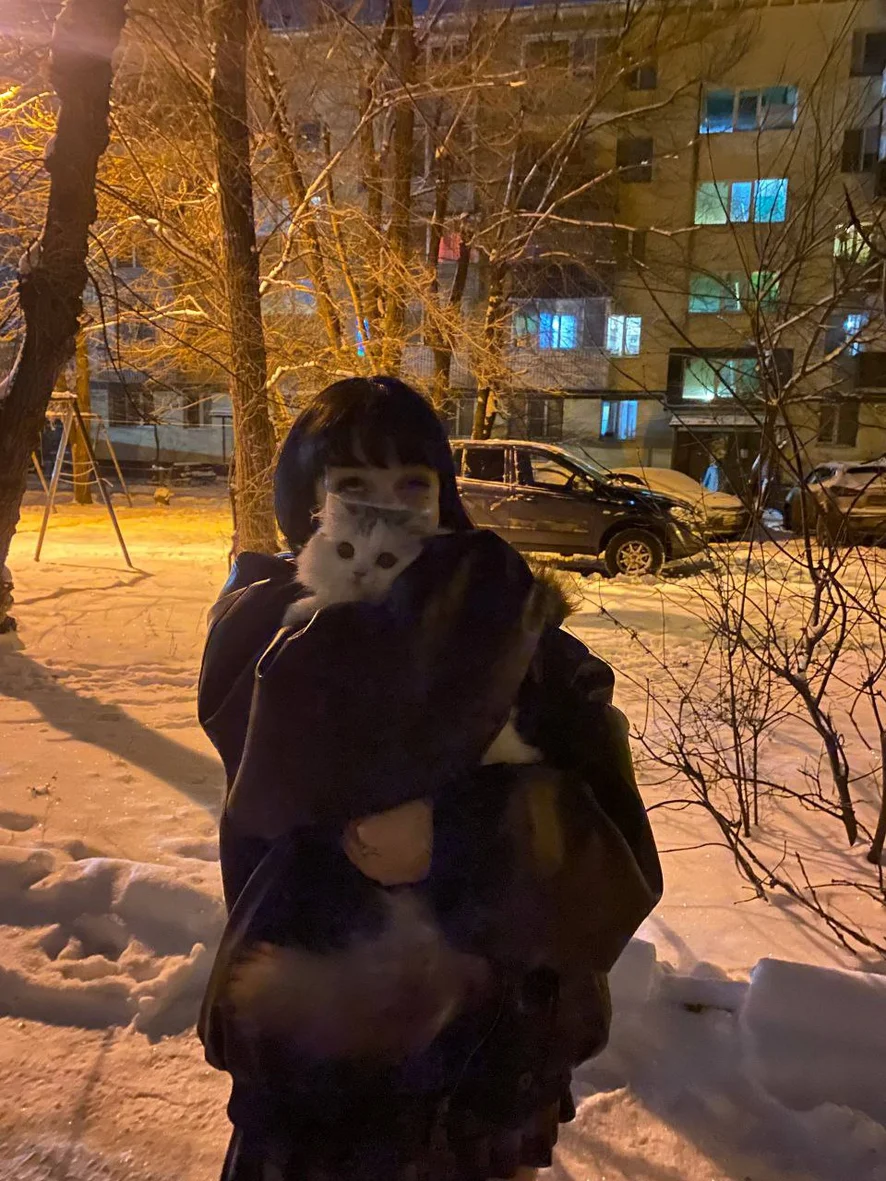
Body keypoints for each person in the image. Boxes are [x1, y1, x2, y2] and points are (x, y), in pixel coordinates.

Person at [197, 376, 662, 1181]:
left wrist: (463, 834)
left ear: (445, 494)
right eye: (353, 485)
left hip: (484, 1077)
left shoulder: (531, 642)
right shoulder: (266, 632)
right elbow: (280, 783)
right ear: (307, 503)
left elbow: (619, 863)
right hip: (316, 1084)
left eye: (413, 484)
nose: (388, 510)